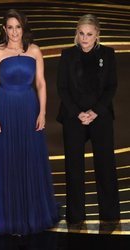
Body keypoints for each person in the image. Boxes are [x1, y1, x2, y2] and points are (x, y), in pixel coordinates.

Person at [0, 9, 59, 235]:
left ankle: (33, 213)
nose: (14, 32)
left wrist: (43, 113)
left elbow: (40, 83)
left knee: (30, 158)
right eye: (10, 27)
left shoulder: (35, 51)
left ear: (23, 28)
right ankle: (8, 216)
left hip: (30, 110)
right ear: (4, 30)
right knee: (7, 160)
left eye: (18, 27)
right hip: (5, 110)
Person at [56, 14, 120, 225]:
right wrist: (77, 113)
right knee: (74, 168)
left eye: (89, 34)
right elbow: (62, 88)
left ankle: (110, 215)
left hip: (100, 117)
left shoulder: (109, 54)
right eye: (81, 33)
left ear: (97, 35)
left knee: (105, 166)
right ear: (77, 33)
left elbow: (111, 86)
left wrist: (95, 111)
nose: (84, 38)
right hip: (74, 118)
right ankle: (75, 216)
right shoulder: (67, 55)